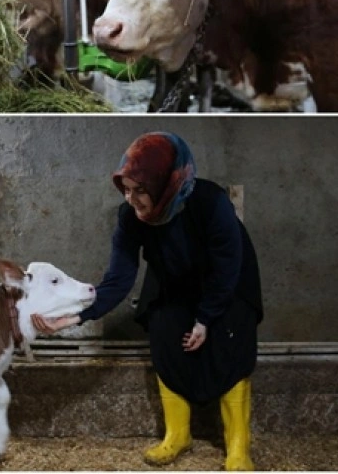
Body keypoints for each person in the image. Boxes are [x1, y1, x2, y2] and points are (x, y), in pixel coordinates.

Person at [33, 132, 263, 471]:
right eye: (126, 189)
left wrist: (204, 319)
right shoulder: (130, 219)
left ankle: (238, 447)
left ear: (166, 183)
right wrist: (73, 318)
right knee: (164, 336)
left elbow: (227, 266)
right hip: (172, 281)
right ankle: (177, 435)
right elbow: (118, 279)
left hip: (226, 283)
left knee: (230, 343)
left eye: (140, 189)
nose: (131, 199)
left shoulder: (210, 202)